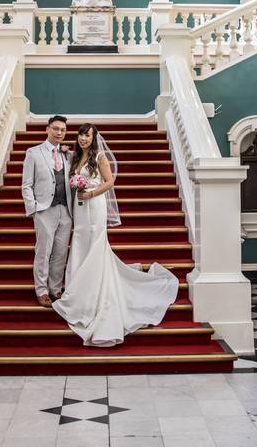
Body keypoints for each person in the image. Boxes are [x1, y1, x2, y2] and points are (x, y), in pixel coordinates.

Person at [52, 123, 179, 347]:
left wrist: (90, 193)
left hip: (94, 204)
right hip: (80, 208)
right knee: (80, 242)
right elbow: (65, 160)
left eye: (88, 135)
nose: (83, 139)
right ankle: (77, 290)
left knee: (95, 244)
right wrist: (63, 152)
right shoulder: (74, 156)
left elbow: (110, 181)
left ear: (94, 137)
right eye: (81, 135)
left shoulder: (99, 156)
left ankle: (96, 294)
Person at [20, 115, 73, 307]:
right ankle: (41, 291)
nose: (60, 133)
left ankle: (56, 289)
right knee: (43, 251)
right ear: (48, 129)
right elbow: (26, 184)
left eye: (63, 130)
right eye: (56, 129)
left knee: (60, 252)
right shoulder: (33, 153)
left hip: (66, 210)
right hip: (44, 210)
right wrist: (33, 209)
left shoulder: (69, 154)